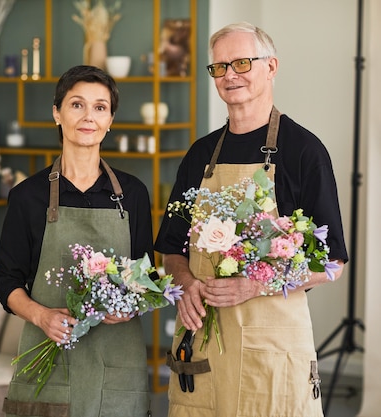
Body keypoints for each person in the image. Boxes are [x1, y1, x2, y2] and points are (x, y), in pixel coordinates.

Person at [154, 22, 348, 417]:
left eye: (242, 62)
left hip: (272, 353)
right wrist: (186, 284)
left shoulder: (304, 151)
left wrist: (254, 285)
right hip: (203, 347)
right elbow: (171, 250)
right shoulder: (200, 155)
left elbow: (333, 263)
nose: (230, 75)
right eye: (220, 67)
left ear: (271, 67)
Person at [0, 65, 154, 417]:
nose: (88, 117)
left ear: (111, 119)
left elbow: (149, 278)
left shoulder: (133, 194)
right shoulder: (28, 197)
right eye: (77, 104)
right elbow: (6, 282)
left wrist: (131, 305)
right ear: (57, 112)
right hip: (48, 357)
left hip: (116, 359)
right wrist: (41, 316)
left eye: (100, 107)